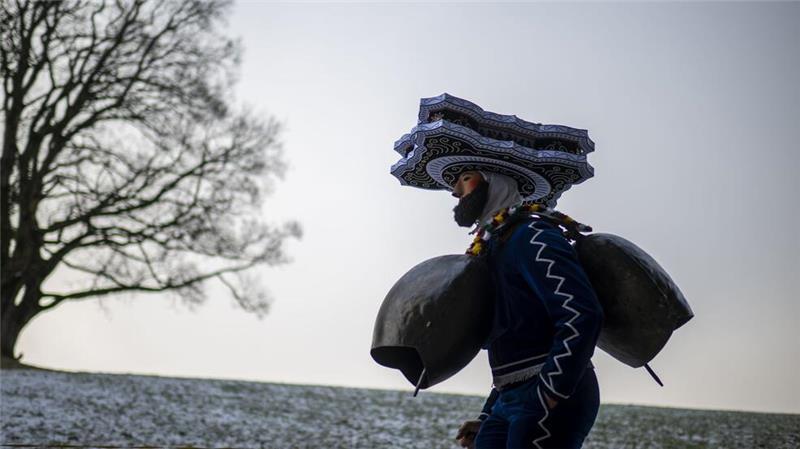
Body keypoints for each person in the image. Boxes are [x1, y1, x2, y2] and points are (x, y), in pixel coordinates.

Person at [451, 170, 604, 449]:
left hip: (552, 394)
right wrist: (488, 415)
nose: (455, 192)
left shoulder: (532, 235)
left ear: (495, 179)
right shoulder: (491, 246)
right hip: (508, 398)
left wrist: (549, 393)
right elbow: (510, 343)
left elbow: (581, 313)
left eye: (464, 178)